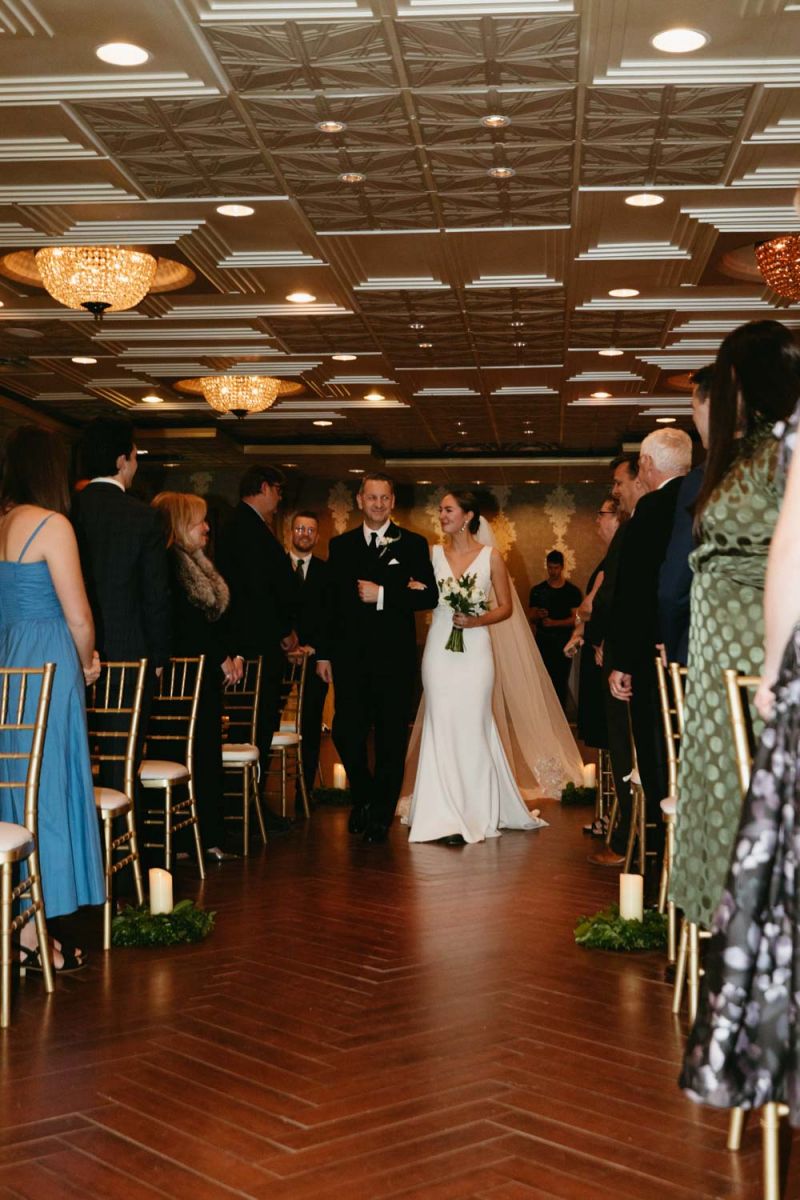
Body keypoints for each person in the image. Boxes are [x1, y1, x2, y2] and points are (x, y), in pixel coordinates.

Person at [679, 325, 800, 1119]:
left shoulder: (769, 452)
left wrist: (768, 681)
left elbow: (781, 566)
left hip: (748, 650)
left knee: (738, 808)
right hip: (726, 644)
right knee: (725, 801)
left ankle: (739, 962)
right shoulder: (755, 452)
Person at [0, 426, 104, 972]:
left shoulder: (1, 524)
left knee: (16, 792)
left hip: (7, 665)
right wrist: (87, 662)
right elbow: (79, 616)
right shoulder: (51, 524)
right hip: (49, 664)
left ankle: (21, 929)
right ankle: (36, 937)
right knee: (50, 790)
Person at [406, 490, 548, 845]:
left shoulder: (491, 558)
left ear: (468, 516)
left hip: (476, 650)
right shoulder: (432, 554)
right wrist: (414, 589)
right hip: (440, 648)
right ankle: (440, 810)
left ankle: (475, 809)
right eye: (440, 509)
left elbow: (506, 608)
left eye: (448, 509)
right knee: (441, 723)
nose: (441, 515)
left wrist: (476, 619)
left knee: (472, 724)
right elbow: (420, 594)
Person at [316, 472, 437, 844]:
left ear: (392, 502)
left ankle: (381, 813)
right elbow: (330, 605)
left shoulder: (414, 545)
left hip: (393, 659)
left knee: (389, 739)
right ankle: (363, 795)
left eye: (385, 498)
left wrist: (385, 594)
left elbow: (428, 596)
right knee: (346, 732)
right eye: (372, 498)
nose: (379, 504)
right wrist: (324, 653)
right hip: (350, 658)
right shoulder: (341, 545)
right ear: (359, 500)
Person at [608, 427, 693, 874]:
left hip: (651, 659)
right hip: (695, 649)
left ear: (646, 464)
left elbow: (638, 593)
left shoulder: (653, 509)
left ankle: (662, 861)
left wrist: (622, 660)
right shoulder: (703, 499)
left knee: (659, 760)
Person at [151, 492, 242, 862]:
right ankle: (193, 839)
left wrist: (228, 653)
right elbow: (185, 625)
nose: (206, 528)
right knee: (193, 753)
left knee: (205, 752)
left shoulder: (194, 561)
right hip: (181, 678)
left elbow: (213, 622)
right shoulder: (168, 562)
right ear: (178, 523)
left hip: (201, 675)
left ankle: (204, 836)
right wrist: (221, 658)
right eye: (199, 521)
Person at [217, 465, 298, 834]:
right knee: (252, 728)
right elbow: (257, 592)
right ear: (263, 487)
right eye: (278, 491)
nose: (280, 500)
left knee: (255, 728)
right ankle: (244, 807)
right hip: (253, 645)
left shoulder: (244, 526)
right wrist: (283, 630)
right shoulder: (244, 528)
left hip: (255, 642)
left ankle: (248, 804)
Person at [73, 417, 170, 674]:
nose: (136, 465)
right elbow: (155, 593)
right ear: (120, 461)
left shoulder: (68, 509)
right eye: (134, 457)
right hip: (130, 653)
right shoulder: (143, 516)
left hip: (74, 651)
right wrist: (159, 655)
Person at [586, 455, 645, 866]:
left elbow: (615, 601)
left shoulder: (634, 530)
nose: (616, 492)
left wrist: (603, 638)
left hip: (627, 658)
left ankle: (629, 838)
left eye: (618, 484)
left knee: (627, 751)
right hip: (626, 651)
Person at [658, 365, 713, 665]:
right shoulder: (785, 468)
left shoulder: (703, 480)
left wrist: (672, 638)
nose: (694, 418)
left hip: (712, 645)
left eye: (694, 407)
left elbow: (676, 584)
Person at [564, 495, 621, 769]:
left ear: (618, 518)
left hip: (607, 654)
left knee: (610, 732)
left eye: (602, 514)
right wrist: (579, 628)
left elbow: (589, 607)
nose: (597, 519)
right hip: (597, 648)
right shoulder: (607, 559)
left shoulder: (614, 561)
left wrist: (580, 617)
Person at [288, 510, 329, 810]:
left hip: (314, 660)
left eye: (310, 530)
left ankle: (305, 792)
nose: (304, 534)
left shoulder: (326, 572)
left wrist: (315, 649)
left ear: (317, 536)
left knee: (311, 726)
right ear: (291, 532)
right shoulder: (275, 567)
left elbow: (333, 617)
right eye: (300, 528)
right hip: (279, 658)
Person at [528, 550, 582, 708]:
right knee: (543, 683)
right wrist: (538, 614)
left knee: (560, 683)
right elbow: (530, 616)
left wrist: (554, 623)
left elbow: (576, 620)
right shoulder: (538, 590)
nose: (553, 571)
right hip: (542, 643)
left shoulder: (572, 591)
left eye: (556, 568)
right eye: (550, 568)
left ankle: (561, 722)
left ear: (562, 567)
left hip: (564, 644)